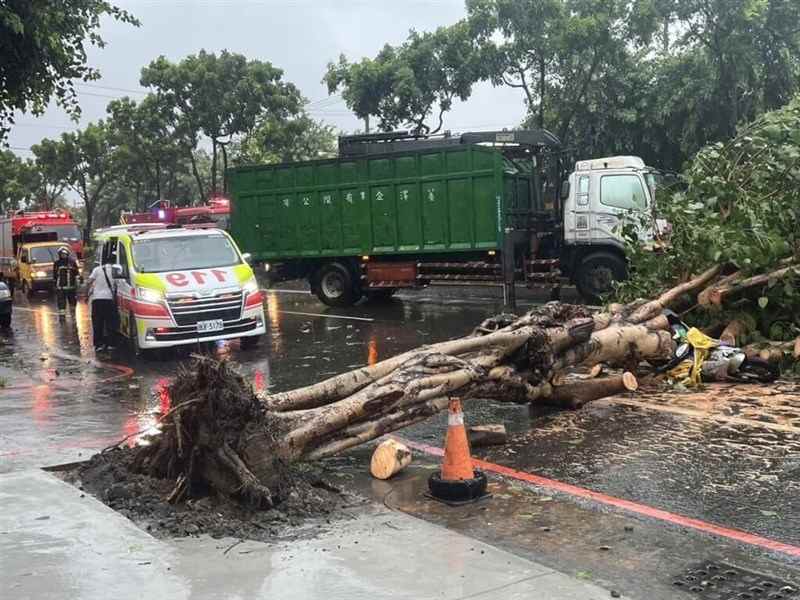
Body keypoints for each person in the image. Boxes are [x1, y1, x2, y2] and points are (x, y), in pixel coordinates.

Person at [87, 256, 117, 351]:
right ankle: (111, 343)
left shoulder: (97, 269)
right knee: (110, 322)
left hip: (97, 299)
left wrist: (88, 292)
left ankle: (98, 345)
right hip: (109, 299)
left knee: (97, 322)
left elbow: (89, 281)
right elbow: (117, 284)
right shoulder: (115, 271)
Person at [53, 247, 80, 314]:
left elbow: (77, 274)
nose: (63, 255)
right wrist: (55, 285)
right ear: (59, 255)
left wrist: (78, 283)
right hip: (61, 288)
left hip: (71, 287)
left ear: (68, 254)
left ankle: (73, 315)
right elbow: (55, 276)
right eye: (62, 254)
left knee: (73, 302)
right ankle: (62, 317)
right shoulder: (57, 263)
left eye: (65, 254)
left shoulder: (72, 262)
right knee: (61, 304)